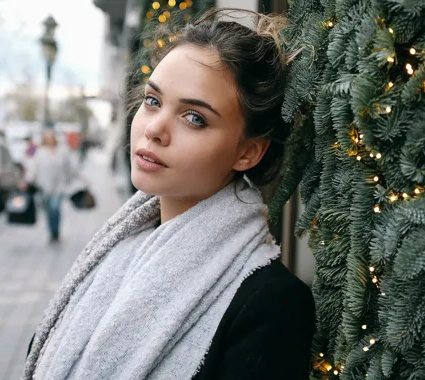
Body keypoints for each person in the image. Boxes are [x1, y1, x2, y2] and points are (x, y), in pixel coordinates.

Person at [23, 9, 315, 380]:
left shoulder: (271, 305)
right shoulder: (115, 249)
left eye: (195, 118)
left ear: (248, 152)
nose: (154, 129)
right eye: (153, 101)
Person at [22, 129, 76, 243]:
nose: (50, 139)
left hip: (59, 187)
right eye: (47, 137)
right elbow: (33, 168)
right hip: (44, 187)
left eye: (51, 136)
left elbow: (69, 168)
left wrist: (73, 180)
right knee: (48, 210)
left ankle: (56, 231)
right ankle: (51, 231)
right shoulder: (39, 152)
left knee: (55, 207)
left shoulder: (62, 151)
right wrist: (27, 181)